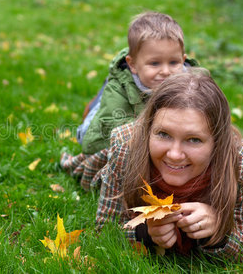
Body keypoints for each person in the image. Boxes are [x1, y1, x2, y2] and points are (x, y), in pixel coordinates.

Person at [96, 71, 243, 260]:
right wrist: (145, 233)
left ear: (217, 142)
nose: (174, 155)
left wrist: (219, 232)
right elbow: (104, 232)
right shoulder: (126, 146)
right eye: (164, 134)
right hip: (102, 161)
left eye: (193, 139)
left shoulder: (239, 160)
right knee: (86, 165)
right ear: (149, 129)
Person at [61, 11, 198, 190]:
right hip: (107, 119)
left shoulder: (194, 82)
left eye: (173, 63)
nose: (166, 71)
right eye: (155, 63)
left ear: (183, 60)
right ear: (133, 64)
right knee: (97, 133)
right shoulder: (118, 91)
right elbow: (107, 132)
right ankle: (96, 102)